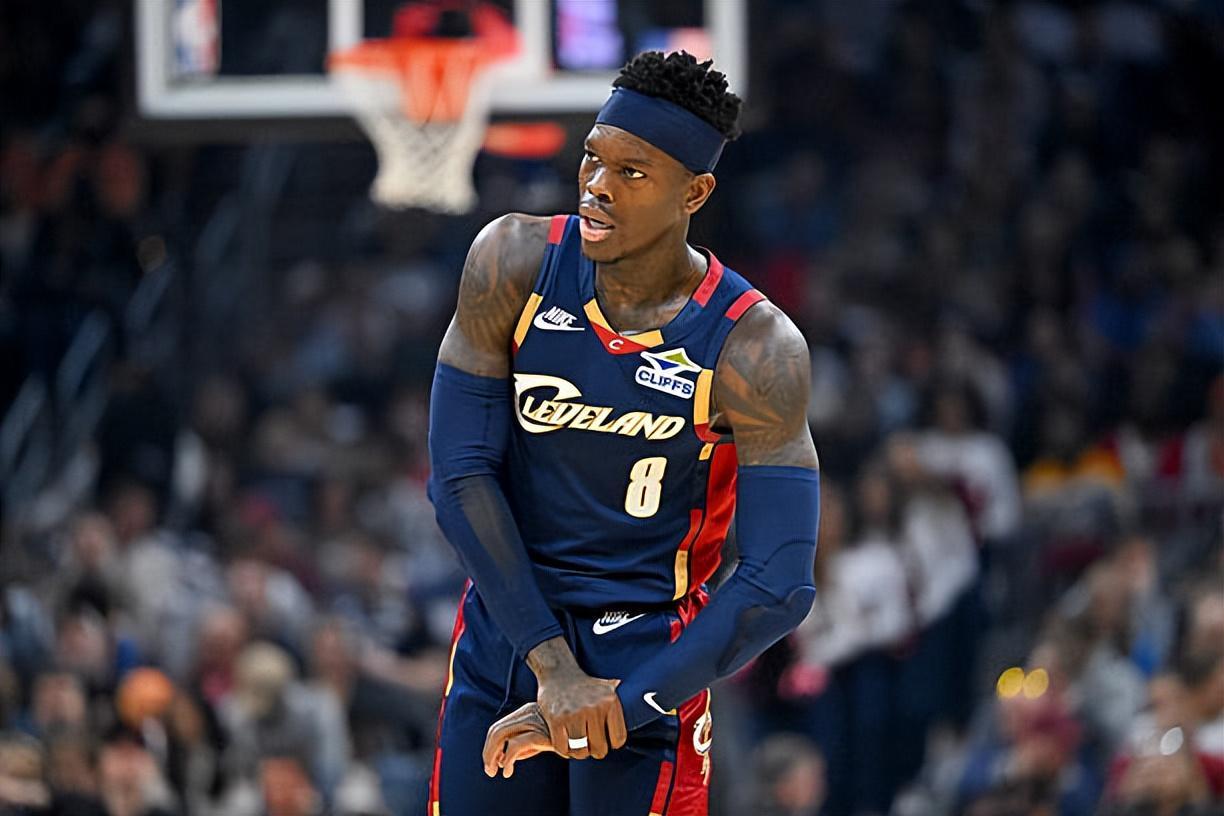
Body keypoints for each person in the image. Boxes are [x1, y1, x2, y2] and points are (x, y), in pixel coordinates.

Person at [426, 51, 821, 815]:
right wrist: (552, 667)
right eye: (593, 159)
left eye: (632, 172)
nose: (598, 186)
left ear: (694, 192)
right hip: (510, 628)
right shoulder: (512, 261)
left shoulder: (753, 346)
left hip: (646, 659)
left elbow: (780, 580)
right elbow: (460, 475)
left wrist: (626, 701)